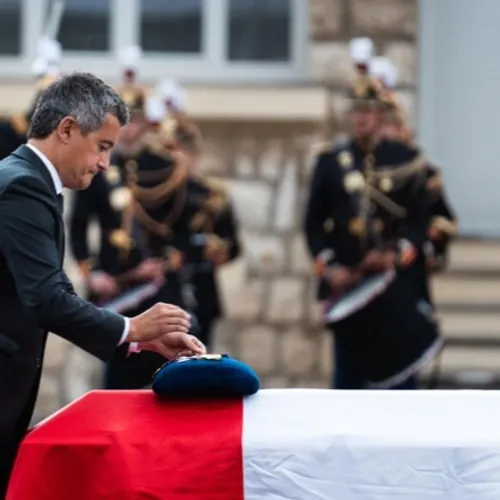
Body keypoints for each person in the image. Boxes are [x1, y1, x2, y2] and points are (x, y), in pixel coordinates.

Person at [0, 72, 206, 495]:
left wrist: (136, 343)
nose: (104, 164)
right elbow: (45, 299)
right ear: (68, 129)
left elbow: (53, 294)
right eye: (102, 147)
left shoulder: (28, 179)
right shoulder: (23, 186)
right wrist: (133, 327)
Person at [303, 76, 443, 390]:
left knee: (399, 384)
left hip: (393, 286)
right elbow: (313, 224)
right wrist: (330, 268)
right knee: (349, 384)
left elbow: (421, 221)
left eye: (369, 109)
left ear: (381, 114)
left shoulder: (406, 161)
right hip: (350, 286)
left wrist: (396, 253)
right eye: (357, 109)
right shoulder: (330, 162)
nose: (362, 116)